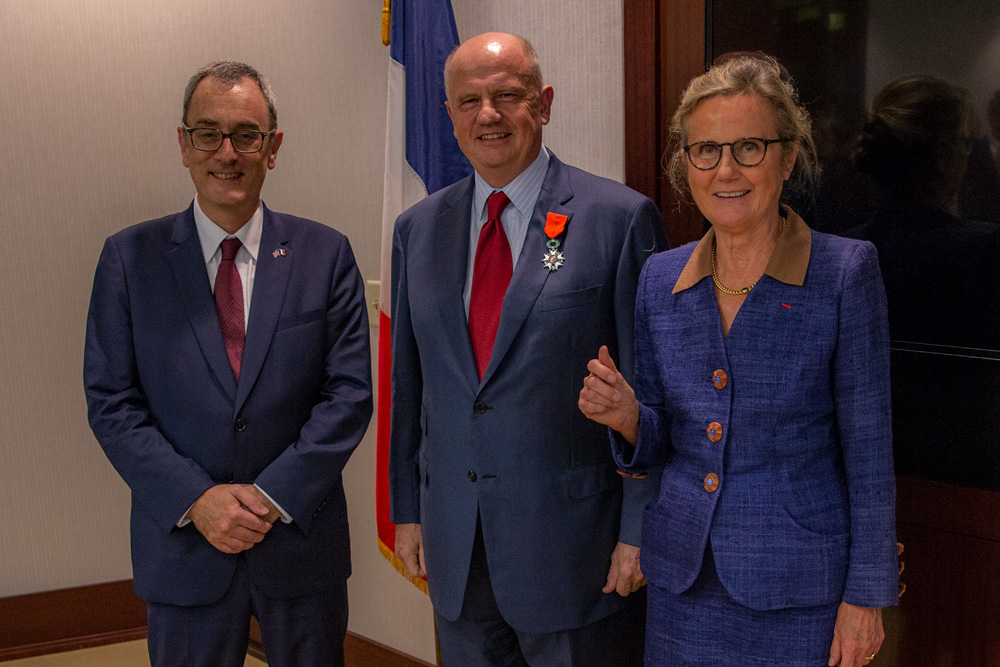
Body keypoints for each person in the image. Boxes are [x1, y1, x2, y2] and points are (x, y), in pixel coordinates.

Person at [579, 55, 898, 667]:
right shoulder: (660, 278)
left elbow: (870, 453)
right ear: (687, 164)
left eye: (749, 148)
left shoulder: (845, 272)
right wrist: (628, 417)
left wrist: (866, 596)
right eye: (706, 151)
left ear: (788, 157)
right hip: (682, 583)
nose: (726, 170)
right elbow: (664, 436)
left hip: (800, 591)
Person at [388, 32, 667, 667]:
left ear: (543, 103)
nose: (487, 115)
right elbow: (411, 389)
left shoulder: (618, 218)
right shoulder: (417, 230)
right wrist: (408, 512)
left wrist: (639, 530)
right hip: (457, 545)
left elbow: (649, 392)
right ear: (450, 116)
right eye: (469, 101)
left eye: (507, 96)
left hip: (576, 554)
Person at [84, 61, 372, 667]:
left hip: (299, 543)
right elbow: (112, 403)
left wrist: (270, 497)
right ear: (183, 144)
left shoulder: (326, 253)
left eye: (246, 135)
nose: (227, 153)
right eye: (208, 134)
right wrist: (198, 500)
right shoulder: (129, 260)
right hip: (185, 547)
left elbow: (348, 395)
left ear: (273, 148)